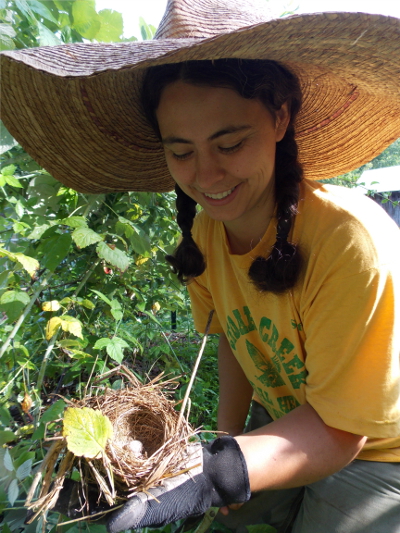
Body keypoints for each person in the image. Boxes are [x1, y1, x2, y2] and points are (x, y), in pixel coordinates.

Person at [1, 1, 399, 532]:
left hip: (377, 445)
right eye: (181, 152)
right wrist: (225, 440)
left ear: (280, 117)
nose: (207, 175)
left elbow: (341, 431)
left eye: (229, 143)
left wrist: (216, 474)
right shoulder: (208, 231)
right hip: (286, 413)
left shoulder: (348, 241)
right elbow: (237, 337)